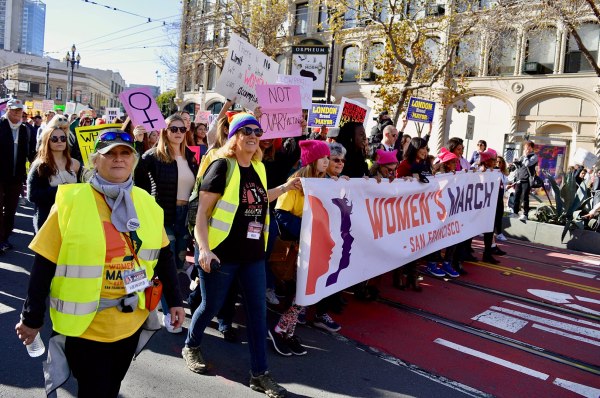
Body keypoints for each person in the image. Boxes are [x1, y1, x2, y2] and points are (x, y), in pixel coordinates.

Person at [15, 129, 184, 398]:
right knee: (95, 391)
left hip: (130, 323)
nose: (118, 159)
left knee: (112, 387)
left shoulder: (147, 204)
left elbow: (163, 255)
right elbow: (44, 262)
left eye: (125, 153)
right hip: (86, 327)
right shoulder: (71, 201)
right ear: (95, 160)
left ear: (134, 160)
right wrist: (32, 317)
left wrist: (175, 300)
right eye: (110, 154)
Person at [183, 112, 297, 398]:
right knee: (211, 306)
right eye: (245, 131)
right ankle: (192, 345)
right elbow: (201, 214)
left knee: (258, 315)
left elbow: (259, 197)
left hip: (253, 255)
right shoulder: (222, 165)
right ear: (234, 136)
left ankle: (260, 375)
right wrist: (205, 250)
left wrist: (284, 188)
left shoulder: (258, 166)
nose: (252, 136)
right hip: (222, 254)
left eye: (257, 131)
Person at [271, 140, 339, 356]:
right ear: (312, 160)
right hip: (298, 247)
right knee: (299, 292)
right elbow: (281, 214)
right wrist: (308, 228)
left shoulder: (325, 182)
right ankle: (281, 329)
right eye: (324, 157)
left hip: (315, 247)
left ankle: (286, 331)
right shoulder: (296, 182)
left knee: (307, 291)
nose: (327, 161)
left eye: (329, 157)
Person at [135, 114, 199, 333]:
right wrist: (137, 141)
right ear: (165, 131)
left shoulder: (191, 156)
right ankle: (168, 311)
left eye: (182, 129)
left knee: (179, 263)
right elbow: (137, 180)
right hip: (163, 216)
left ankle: (171, 302)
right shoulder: (152, 157)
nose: (179, 133)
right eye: (174, 129)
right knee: (166, 263)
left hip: (185, 217)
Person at [27, 116, 81, 233]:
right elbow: (32, 195)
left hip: (71, 219)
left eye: (63, 138)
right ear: (47, 141)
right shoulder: (40, 166)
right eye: (54, 139)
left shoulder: (75, 164)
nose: (60, 141)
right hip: (48, 220)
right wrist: (60, 190)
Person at [0, 99, 36, 253]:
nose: (17, 113)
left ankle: (5, 238)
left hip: (16, 177)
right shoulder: (1, 125)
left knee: (10, 210)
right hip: (0, 175)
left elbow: (31, 153)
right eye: (14, 110)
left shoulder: (25, 129)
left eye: (19, 110)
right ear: (7, 110)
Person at [512, 140, 538, 221]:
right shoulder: (522, 156)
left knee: (525, 198)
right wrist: (515, 162)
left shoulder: (534, 156)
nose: (526, 148)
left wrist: (526, 156)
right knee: (516, 197)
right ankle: (515, 213)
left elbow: (527, 164)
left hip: (527, 180)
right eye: (525, 146)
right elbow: (519, 167)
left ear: (532, 148)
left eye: (528, 146)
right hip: (519, 179)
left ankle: (525, 214)